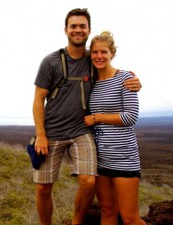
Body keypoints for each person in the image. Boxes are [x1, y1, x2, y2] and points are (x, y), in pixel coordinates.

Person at [32, 8, 142, 225]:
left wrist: (135, 81)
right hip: (51, 132)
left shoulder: (92, 59)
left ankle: (76, 222)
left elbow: (112, 73)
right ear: (66, 30)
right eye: (73, 26)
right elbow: (38, 100)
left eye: (82, 26)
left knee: (89, 181)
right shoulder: (51, 61)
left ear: (88, 30)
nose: (78, 30)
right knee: (43, 187)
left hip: (82, 132)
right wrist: (40, 135)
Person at [84, 31, 147, 225]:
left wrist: (97, 118)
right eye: (95, 52)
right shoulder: (91, 82)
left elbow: (130, 117)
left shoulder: (125, 78)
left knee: (129, 218)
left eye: (104, 51)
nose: (99, 56)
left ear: (112, 53)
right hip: (100, 159)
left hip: (124, 158)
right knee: (107, 212)